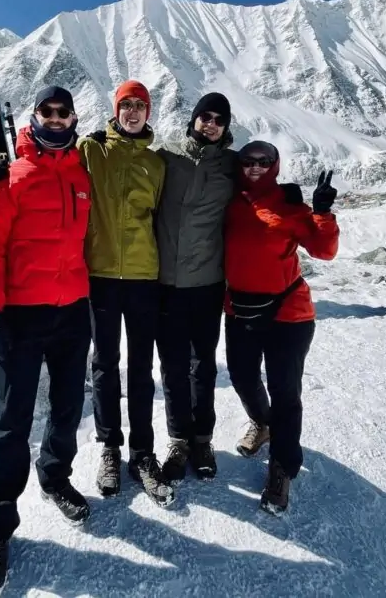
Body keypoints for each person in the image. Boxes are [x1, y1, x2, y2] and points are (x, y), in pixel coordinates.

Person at [0, 86, 93, 592]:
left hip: (74, 310)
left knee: (67, 408)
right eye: (48, 111)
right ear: (35, 116)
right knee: (12, 421)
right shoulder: (11, 176)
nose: (57, 118)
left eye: (64, 112)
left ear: (73, 118)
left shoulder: (83, 173)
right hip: (21, 315)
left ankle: (55, 478)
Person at [223, 140, 339, 515]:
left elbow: (324, 250)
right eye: (248, 161)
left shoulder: (290, 206)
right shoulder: (229, 202)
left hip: (289, 314)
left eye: (264, 161)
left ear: (274, 165)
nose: (255, 167)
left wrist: (322, 212)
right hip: (240, 310)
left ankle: (282, 466)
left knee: (285, 392)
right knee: (242, 376)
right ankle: (262, 423)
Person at [78, 79, 173, 506]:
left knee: (140, 367)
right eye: (126, 105)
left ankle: (143, 453)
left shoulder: (156, 164)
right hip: (100, 274)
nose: (132, 112)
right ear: (115, 110)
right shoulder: (92, 150)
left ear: (148, 112)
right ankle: (110, 449)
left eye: (140, 105)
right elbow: (51, 160)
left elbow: (164, 219)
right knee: (104, 364)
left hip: (142, 276)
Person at [153, 92, 236, 482]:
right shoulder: (166, 157)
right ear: (194, 119)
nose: (211, 124)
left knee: (202, 366)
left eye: (219, 119)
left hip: (206, 284)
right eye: (206, 116)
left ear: (226, 127)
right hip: (166, 283)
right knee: (172, 366)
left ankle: (202, 440)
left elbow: (262, 181)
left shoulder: (232, 166)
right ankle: (178, 440)